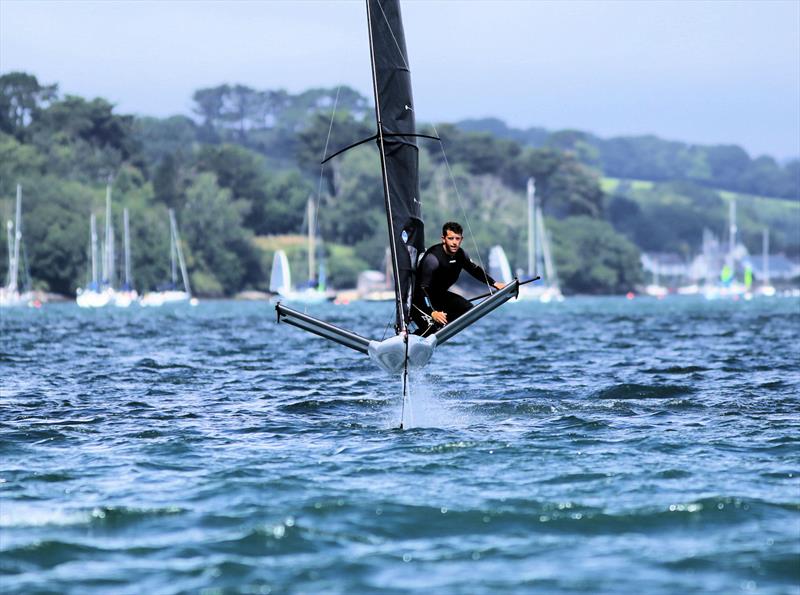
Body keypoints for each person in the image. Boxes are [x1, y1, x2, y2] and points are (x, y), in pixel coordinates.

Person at [411, 221, 505, 337]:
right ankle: (414, 338)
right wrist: (432, 312)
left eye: (457, 238)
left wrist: (494, 283)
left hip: (439, 297)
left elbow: (475, 270)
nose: (454, 242)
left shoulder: (461, 255)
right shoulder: (433, 259)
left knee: (468, 310)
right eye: (451, 238)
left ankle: (440, 325)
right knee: (431, 328)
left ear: (461, 239)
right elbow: (422, 289)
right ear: (443, 239)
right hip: (419, 300)